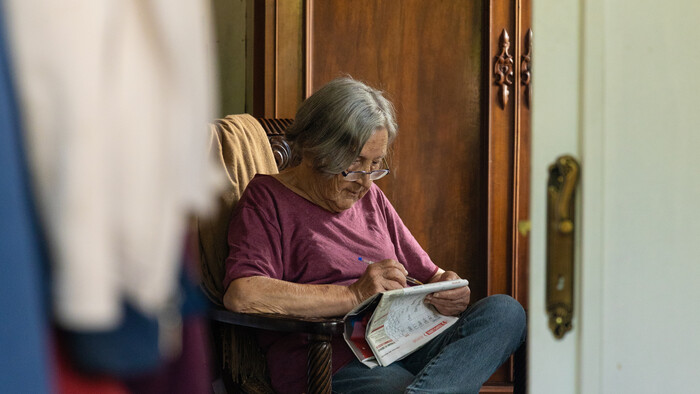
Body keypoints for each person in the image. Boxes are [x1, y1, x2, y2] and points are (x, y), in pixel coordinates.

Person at [223, 77, 526, 394]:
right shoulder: (267, 199)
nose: (365, 183)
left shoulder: (371, 198)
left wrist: (450, 290)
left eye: (376, 166)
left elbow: (432, 274)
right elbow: (244, 294)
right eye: (353, 166)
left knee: (506, 313)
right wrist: (353, 295)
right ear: (314, 151)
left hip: (405, 343)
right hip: (333, 362)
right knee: (395, 386)